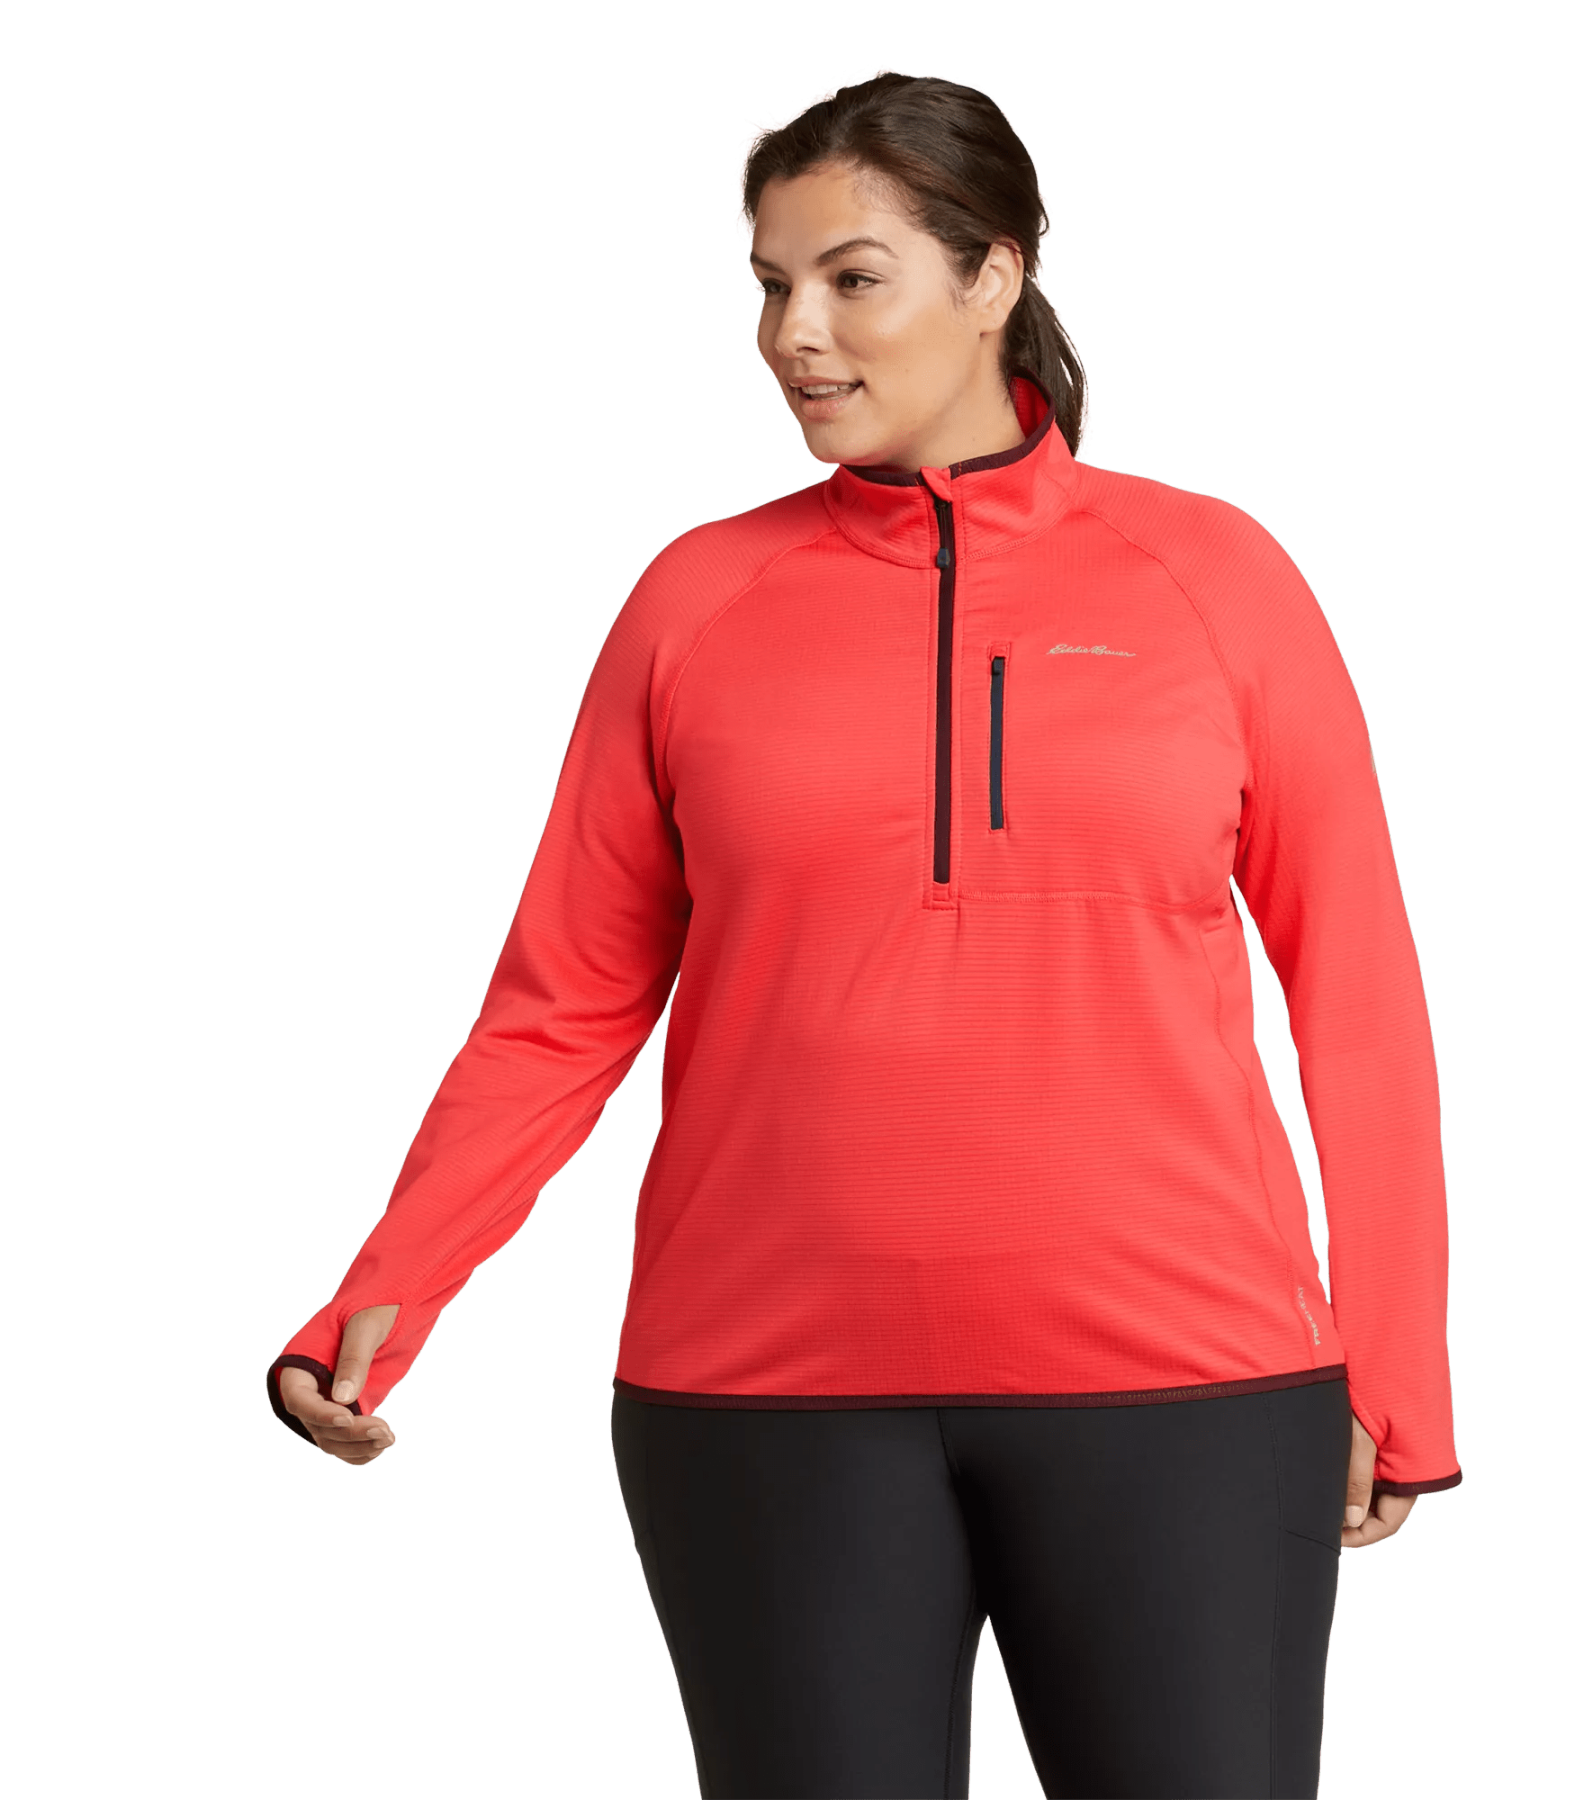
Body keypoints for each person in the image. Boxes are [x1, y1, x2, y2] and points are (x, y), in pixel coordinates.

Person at [268, 68, 1459, 1800]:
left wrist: (1401, 1361)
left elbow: (1358, 991)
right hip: (762, 1401)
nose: (795, 336)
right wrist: (388, 1288)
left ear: (994, 277)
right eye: (770, 285)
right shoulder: (695, 602)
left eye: (852, 278)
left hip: (1188, 1391)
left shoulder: (1219, 581)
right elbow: (563, 1002)